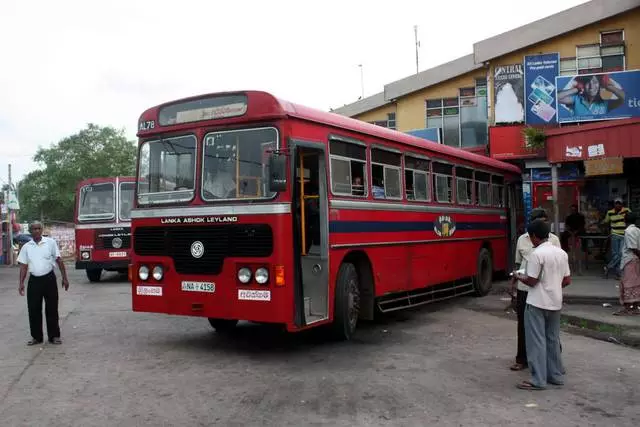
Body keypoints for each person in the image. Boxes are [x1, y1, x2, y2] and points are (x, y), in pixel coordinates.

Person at [514, 219, 571, 391]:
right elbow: (567, 280)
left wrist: (518, 276)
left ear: (533, 237)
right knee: (552, 339)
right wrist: (552, 286)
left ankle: (538, 379)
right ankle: (555, 376)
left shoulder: (536, 254)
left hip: (537, 302)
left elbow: (531, 281)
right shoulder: (561, 253)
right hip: (555, 302)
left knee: (536, 341)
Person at [509, 208, 561, 372]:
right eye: (539, 221)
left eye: (545, 220)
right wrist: (514, 284)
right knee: (523, 325)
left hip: (546, 289)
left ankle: (553, 361)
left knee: (549, 329)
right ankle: (522, 358)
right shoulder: (522, 240)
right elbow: (518, 264)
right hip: (525, 287)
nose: (543, 224)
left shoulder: (554, 240)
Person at [17, 222, 70, 345]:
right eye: (34, 229)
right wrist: (21, 283)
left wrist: (64, 278)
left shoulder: (50, 243)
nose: (36, 230)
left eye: (38, 228)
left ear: (42, 230)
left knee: (52, 308)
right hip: (34, 281)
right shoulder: (26, 247)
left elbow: (59, 260)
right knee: (33, 309)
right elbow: (24, 266)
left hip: (49, 279)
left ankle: (54, 336)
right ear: (30, 231)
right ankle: (36, 337)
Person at [558, 74, 625, 116]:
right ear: (583, 85)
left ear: (600, 85)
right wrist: (577, 89)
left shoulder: (605, 104)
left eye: (595, 82)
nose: (591, 86)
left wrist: (607, 86)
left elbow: (624, 98)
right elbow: (557, 97)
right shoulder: (576, 99)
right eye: (588, 83)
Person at [616, 212, 640, 316]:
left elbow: (632, 247)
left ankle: (627, 308)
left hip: (629, 259)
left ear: (625, 221)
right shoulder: (638, 230)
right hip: (635, 259)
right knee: (635, 283)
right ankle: (635, 307)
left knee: (627, 283)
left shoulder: (628, 231)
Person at [603, 198, 631, 279]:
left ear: (622, 204)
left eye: (619, 203)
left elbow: (630, 218)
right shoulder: (610, 212)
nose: (618, 205)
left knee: (621, 253)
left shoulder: (627, 210)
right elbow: (606, 221)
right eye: (616, 203)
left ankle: (608, 267)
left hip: (624, 234)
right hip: (614, 234)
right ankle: (618, 273)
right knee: (615, 254)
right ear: (614, 204)